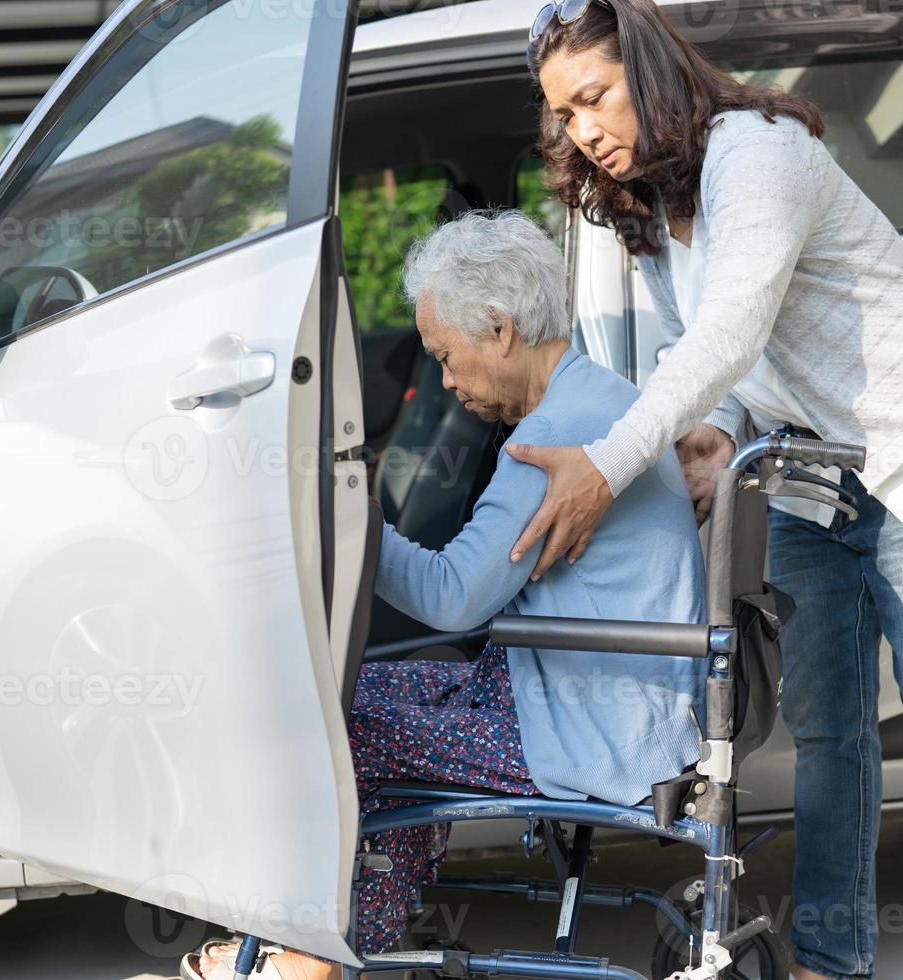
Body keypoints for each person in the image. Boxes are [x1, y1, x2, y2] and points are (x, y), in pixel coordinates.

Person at [514, 2, 903, 979]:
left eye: (593, 97)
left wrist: (606, 463)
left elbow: (731, 335)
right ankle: (830, 959)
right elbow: (726, 359)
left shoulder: (754, 153)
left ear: (649, 69)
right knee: (829, 725)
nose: (584, 129)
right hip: (812, 463)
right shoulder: (664, 204)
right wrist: (720, 435)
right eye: (566, 116)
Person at [183, 209, 708, 980]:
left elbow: (453, 597)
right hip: (599, 698)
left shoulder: (551, 440)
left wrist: (345, 516)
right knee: (360, 694)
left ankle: (312, 954)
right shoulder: (599, 396)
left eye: (447, 356)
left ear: (498, 329)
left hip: (590, 728)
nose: (446, 379)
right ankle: (359, 929)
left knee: (330, 723)